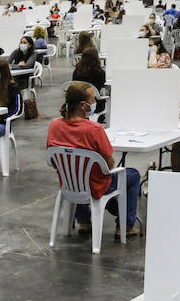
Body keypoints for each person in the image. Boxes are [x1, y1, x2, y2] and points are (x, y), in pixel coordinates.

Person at [48, 81, 141, 238]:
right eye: (93, 99)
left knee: (78, 172)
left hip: (68, 183)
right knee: (133, 175)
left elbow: (52, 160)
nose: (95, 102)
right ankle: (125, 226)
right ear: (83, 105)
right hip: (97, 186)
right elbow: (110, 164)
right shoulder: (95, 129)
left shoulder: (54, 125)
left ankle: (84, 221)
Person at [71, 46, 106, 117]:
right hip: (94, 105)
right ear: (96, 58)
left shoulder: (77, 71)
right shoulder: (100, 72)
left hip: (78, 105)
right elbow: (102, 85)